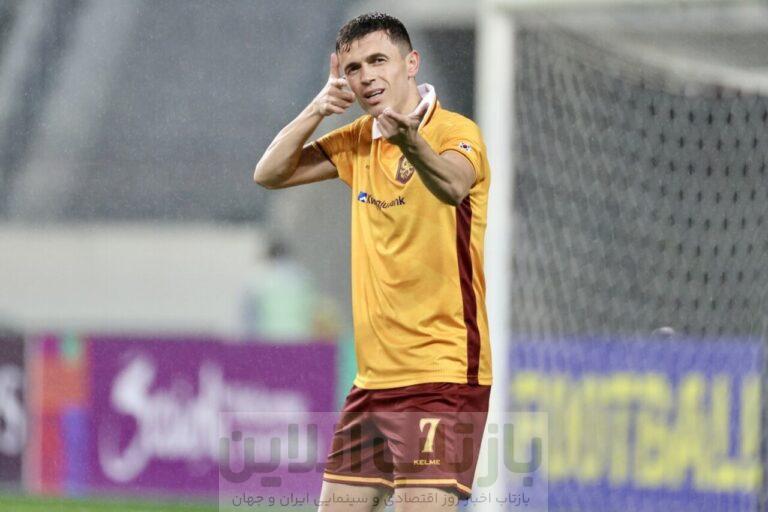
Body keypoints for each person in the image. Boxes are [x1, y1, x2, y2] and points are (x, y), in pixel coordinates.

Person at [253, 12, 492, 511]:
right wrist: (318, 108)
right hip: (374, 382)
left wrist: (412, 143)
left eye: (378, 61)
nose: (366, 77)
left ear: (411, 63)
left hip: (442, 373)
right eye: (354, 68)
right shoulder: (358, 140)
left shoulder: (455, 131)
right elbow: (269, 173)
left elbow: (452, 185)